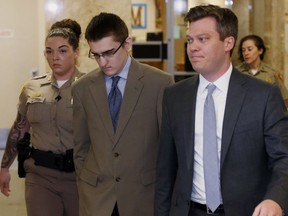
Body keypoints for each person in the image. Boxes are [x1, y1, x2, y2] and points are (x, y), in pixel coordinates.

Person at [155, 4, 288, 216]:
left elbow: (283, 158)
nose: (192, 47)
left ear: (228, 43)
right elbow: (166, 170)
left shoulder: (263, 95)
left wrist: (275, 199)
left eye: (203, 39)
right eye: (190, 40)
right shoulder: (175, 96)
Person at [72, 12, 174, 216]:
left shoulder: (159, 83)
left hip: (143, 196)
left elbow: (168, 147)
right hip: (97, 197)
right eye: (96, 55)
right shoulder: (82, 88)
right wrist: (85, 180)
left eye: (109, 52)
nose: (103, 62)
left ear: (127, 43)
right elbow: (81, 145)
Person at [0, 19, 84, 216]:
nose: (55, 57)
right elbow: (19, 128)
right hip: (40, 176)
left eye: (63, 51)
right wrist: (4, 167)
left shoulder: (90, 87)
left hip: (80, 177)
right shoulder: (32, 88)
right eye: (49, 51)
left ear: (76, 52)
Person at [236, 34, 288, 108]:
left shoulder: (272, 73)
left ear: (260, 50)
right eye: (243, 50)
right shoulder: (236, 73)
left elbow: (284, 99)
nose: (246, 53)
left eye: (250, 49)